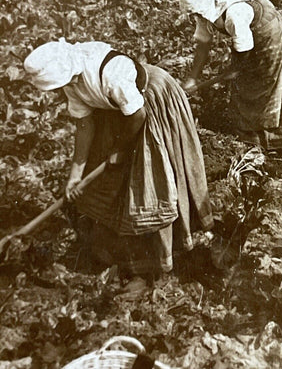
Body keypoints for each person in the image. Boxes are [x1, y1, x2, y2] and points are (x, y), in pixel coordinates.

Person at [24, 39, 213, 286]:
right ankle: (118, 253)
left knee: (147, 183)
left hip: (149, 102)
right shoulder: (71, 81)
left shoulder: (109, 73)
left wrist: (120, 150)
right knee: (106, 180)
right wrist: (75, 173)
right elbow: (84, 125)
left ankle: (154, 266)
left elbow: (138, 114)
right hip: (117, 112)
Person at [178, 0, 282, 178]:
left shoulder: (233, 14)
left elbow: (242, 56)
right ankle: (263, 144)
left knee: (278, 89)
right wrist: (193, 78)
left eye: (194, 13)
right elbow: (203, 45)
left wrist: (233, 71)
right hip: (248, 39)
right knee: (246, 92)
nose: (194, 17)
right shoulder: (204, 13)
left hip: (268, 33)